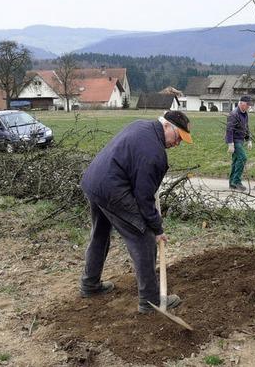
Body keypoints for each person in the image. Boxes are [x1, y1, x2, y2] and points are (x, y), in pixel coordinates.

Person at [79, 110, 192, 313]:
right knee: (144, 239)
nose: (177, 144)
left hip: (94, 182)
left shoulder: (142, 126)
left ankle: (90, 284)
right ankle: (151, 301)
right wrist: (157, 229)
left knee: (100, 235)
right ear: (166, 126)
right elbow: (144, 200)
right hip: (112, 189)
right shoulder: (155, 154)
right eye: (178, 137)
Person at [225, 95, 254, 191]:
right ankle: (237, 181)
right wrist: (230, 144)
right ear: (241, 103)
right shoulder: (234, 114)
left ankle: (232, 183)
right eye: (247, 104)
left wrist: (249, 139)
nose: (249, 106)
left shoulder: (245, 113)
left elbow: (246, 127)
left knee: (236, 161)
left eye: (249, 105)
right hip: (235, 140)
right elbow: (229, 129)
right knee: (242, 158)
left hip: (241, 140)